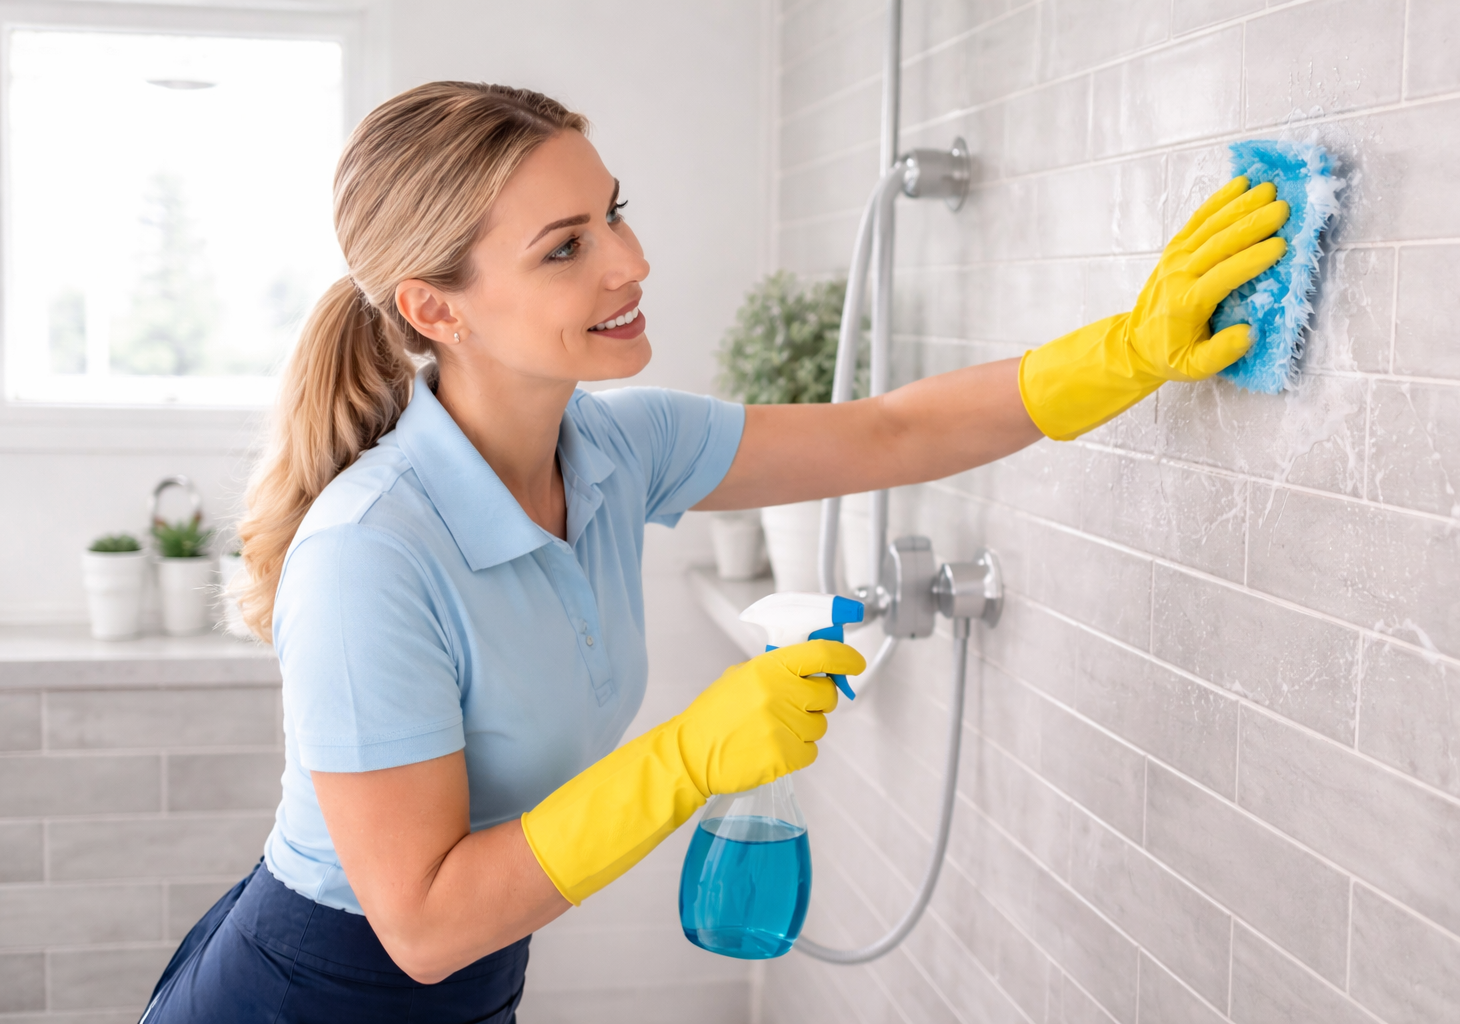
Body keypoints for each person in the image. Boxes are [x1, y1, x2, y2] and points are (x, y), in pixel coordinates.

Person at [140, 82, 1287, 1023]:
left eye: (615, 212)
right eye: (566, 248)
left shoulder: (613, 447)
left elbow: (886, 432)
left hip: (472, 992)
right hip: (305, 998)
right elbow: (426, 924)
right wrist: (692, 754)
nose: (630, 261)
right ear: (437, 310)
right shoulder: (369, 554)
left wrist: (1129, 351)